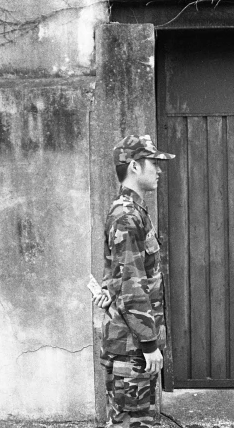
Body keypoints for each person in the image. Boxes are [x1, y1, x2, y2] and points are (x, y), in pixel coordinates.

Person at [93, 134, 175, 428]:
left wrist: (106, 291)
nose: (159, 169)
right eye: (154, 162)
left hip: (130, 343)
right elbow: (131, 284)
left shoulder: (132, 212)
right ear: (135, 167)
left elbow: (115, 274)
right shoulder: (127, 217)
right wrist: (149, 343)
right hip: (133, 347)